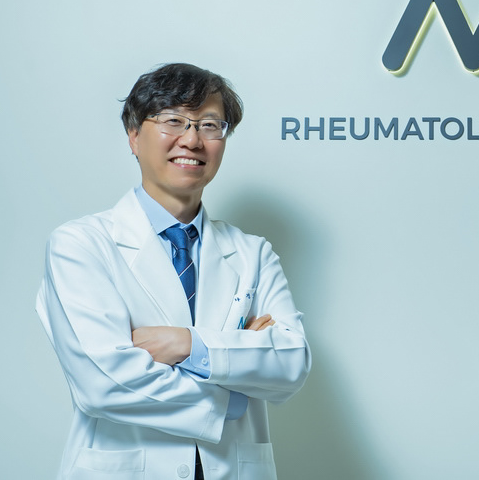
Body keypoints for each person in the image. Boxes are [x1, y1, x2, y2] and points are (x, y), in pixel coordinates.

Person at [36, 63, 311, 480]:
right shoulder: (80, 245)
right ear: (133, 135)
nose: (192, 139)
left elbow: (290, 362)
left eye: (210, 125)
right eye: (173, 121)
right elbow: (103, 384)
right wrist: (233, 391)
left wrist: (188, 344)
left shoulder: (252, 253)